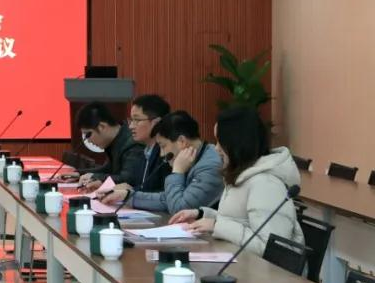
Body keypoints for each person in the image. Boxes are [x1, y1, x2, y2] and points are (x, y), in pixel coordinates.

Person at [171, 107, 303, 253]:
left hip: (261, 267)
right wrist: (201, 215)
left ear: (237, 143)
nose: (216, 148)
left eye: (220, 142)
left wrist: (216, 226)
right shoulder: (243, 174)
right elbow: (238, 221)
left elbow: (274, 249)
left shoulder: (266, 184)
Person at [103, 111, 224, 214]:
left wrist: (177, 172)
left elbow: (179, 208)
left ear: (182, 141)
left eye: (163, 146)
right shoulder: (195, 158)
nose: (161, 154)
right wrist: (126, 196)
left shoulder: (210, 167)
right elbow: (168, 199)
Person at [76, 101, 146, 191]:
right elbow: (107, 169)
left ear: (102, 126)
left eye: (88, 135)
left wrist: (95, 177)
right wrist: (79, 174)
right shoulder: (116, 139)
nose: (88, 140)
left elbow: (128, 179)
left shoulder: (133, 144)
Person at [127, 94, 171, 194]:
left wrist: (131, 192)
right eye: (131, 120)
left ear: (156, 122)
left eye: (137, 120)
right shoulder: (143, 153)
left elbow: (164, 194)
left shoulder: (166, 154)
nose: (131, 126)